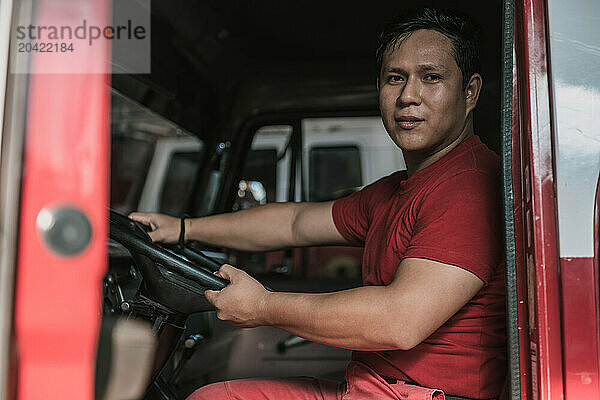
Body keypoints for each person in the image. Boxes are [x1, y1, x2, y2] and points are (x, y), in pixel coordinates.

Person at [130, 7, 506, 400]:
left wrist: (263, 307)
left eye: (431, 78)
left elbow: (399, 320)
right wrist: (183, 228)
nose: (408, 96)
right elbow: (295, 223)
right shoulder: (400, 189)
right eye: (396, 79)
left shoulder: (468, 187)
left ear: (470, 92)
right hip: (374, 388)